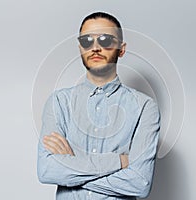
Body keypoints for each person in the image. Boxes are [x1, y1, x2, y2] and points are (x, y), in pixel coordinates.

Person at [37, 11, 160, 200]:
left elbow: (140, 183)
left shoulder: (144, 107)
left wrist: (72, 166)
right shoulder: (58, 102)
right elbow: (47, 171)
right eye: (87, 41)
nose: (95, 47)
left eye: (105, 40)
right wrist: (119, 161)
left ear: (121, 49)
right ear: (80, 48)